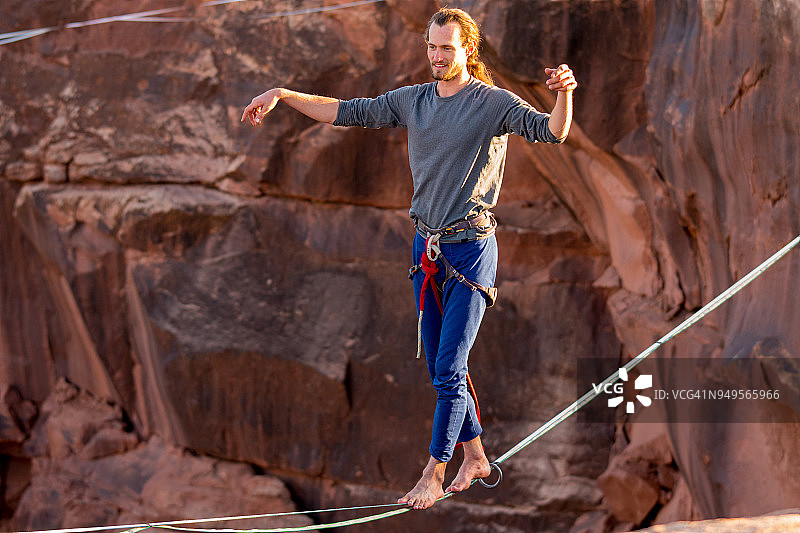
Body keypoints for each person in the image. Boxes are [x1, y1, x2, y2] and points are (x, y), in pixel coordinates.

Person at [241, 7, 577, 510]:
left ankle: (433, 471)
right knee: (444, 370)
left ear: (469, 50)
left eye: (447, 48)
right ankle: (477, 455)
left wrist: (564, 94)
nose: (437, 56)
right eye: (432, 47)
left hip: (471, 250)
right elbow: (346, 111)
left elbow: (553, 131)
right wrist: (284, 95)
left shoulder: (492, 104)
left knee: (447, 368)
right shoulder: (414, 101)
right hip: (426, 249)